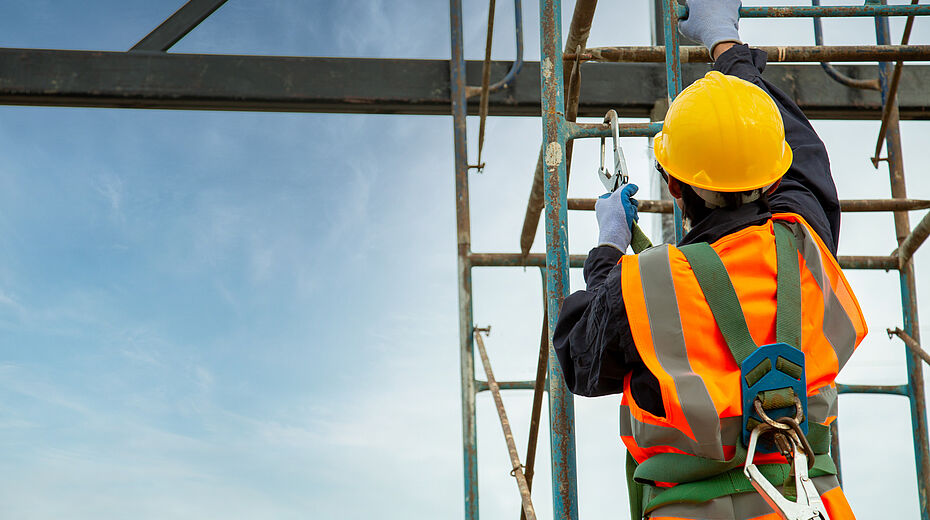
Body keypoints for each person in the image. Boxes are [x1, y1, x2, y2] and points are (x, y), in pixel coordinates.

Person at [553, 1, 868, 518]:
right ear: (773, 173)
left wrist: (608, 247)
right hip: (811, 507)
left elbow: (580, 354)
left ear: (674, 187)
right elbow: (802, 151)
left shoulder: (647, 285)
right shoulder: (805, 240)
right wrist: (725, 43)